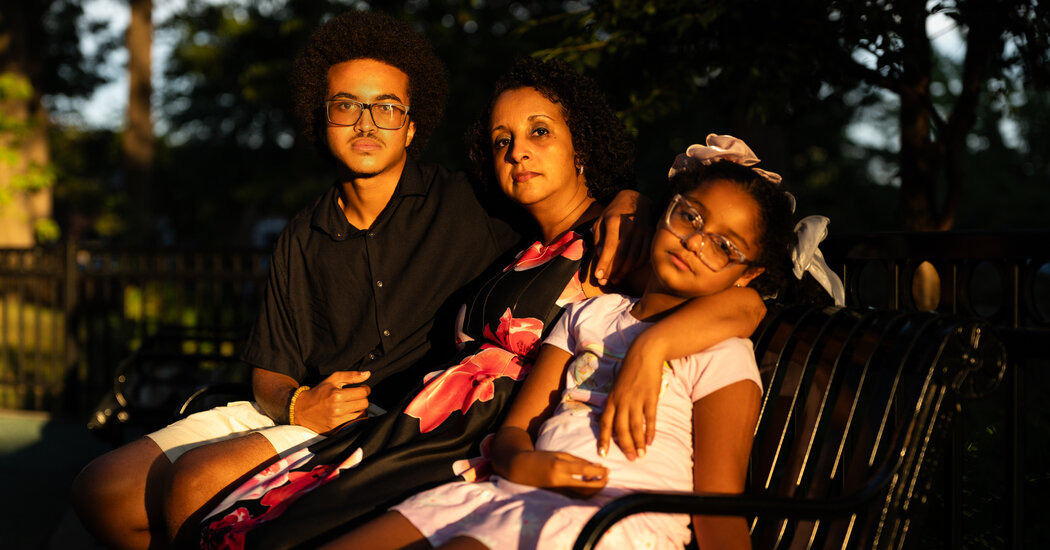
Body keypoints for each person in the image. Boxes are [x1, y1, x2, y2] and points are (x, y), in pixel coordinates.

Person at [70, 12, 655, 550]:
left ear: (411, 124)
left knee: (196, 485)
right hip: (310, 415)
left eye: (387, 108)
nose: (367, 123)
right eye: (347, 106)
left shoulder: (475, 204)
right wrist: (298, 401)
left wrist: (627, 198)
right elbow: (270, 369)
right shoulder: (301, 236)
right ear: (321, 118)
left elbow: (572, 209)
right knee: (103, 492)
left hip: (402, 423)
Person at [188, 66, 767, 550]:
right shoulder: (516, 243)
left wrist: (655, 342)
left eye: (540, 132)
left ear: (581, 143)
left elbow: (742, 304)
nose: (518, 152)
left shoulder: (621, 241)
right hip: (434, 433)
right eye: (502, 141)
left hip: (479, 451)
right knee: (239, 518)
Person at [321, 133, 843, 550]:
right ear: (667, 211)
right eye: (691, 216)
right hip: (523, 489)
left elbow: (716, 506)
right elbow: (515, 433)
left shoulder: (722, 354)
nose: (695, 242)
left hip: (615, 519)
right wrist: (525, 463)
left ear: (747, 275)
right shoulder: (589, 315)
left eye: (724, 245)